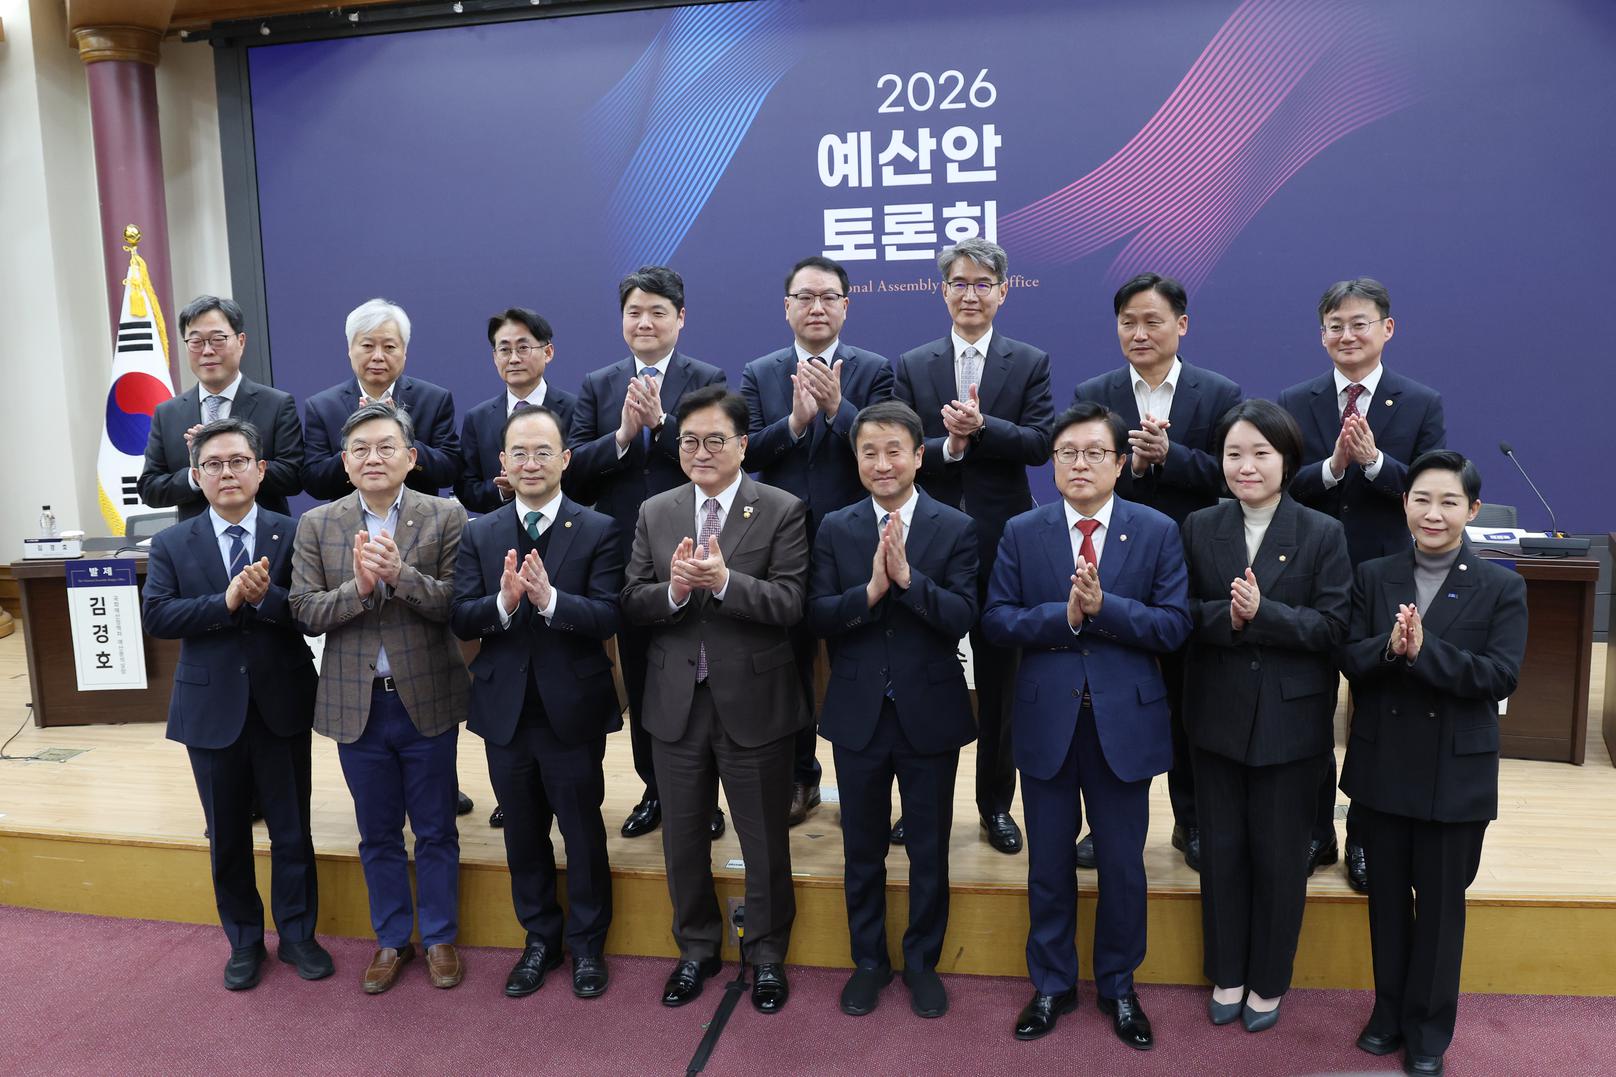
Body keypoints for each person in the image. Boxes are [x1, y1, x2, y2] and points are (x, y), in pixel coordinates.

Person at [982, 402, 1190, 1048]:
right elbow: (997, 620)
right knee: (1048, 864)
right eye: (1067, 452)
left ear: (1120, 462)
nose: (1080, 463)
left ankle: (1119, 986)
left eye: (1095, 452)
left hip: (1124, 724)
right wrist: (1066, 617)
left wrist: (1105, 608)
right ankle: (1052, 982)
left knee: (1123, 866)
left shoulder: (1156, 531)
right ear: (1052, 463)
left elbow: (1174, 625)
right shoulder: (1023, 531)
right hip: (1047, 719)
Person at [620, 386, 810, 1015]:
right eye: (689, 441)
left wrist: (727, 582)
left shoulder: (781, 508)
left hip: (754, 701)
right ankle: (696, 948)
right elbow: (632, 600)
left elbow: (791, 603)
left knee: (764, 842)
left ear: (743, 445)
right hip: (675, 702)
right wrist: (673, 593)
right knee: (681, 841)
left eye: (714, 440)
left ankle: (767, 953)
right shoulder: (656, 510)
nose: (700, 451)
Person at [1337, 450, 1525, 1077]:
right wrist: (1391, 650)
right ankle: (1387, 1013)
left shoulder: (1501, 586)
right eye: (1422, 499)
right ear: (1404, 505)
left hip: (1454, 772)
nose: (1434, 513)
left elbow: (1500, 676)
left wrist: (1423, 652)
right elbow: (1350, 658)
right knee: (1386, 902)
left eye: (1449, 501)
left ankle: (1428, 1030)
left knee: (1442, 910)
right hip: (1384, 766)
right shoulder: (1374, 575)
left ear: (1473, 510)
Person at [1179, 400, 1351, 1032]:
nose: (1246, 466)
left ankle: (1269, 981)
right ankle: (1226, 971)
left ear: (1287, 460)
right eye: (1234, 454)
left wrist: (1263, 615)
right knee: (1221, 852)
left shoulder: (1322, 532)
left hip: (1290, 720)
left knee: (1280, 858)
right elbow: (1180, 613)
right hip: (1217, 713)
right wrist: (1228, 618)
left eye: (1261, 453)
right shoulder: (1200, 525)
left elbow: (1334, 627)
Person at [141, 416, 330, 990]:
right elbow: (157, 616)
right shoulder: (172, 542)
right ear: (197, 476)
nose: (227, 473)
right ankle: (244, 940)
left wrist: (265, 598)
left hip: (281, 701)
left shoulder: (293, 532)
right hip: (210, 708)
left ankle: (298, 934)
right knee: (226, 834)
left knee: (292, 829)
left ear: (261, 469)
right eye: (214, 465)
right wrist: (224, 602)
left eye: (238, 462)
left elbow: (309, 611)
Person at [289, 401, 469, 994]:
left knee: (436, 828)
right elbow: (304, 611)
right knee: (378, 832)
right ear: (344, 463)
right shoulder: (317, 524)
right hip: (357, 704)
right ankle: (392, 940)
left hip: (427, 697)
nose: (373, 458)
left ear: (411, 457)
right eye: (360, 449)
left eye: (386, 447)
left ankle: (439, 937)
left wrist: (401, 577)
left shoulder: (446, 515)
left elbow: (456, 604)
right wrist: (361, 588)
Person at [809, 400, 977, 1019]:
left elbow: (963, 616)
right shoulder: (836, 526)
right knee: (862, 849)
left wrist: (909, 581)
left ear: (918, 456)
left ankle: (923, 963)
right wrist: (871, 591)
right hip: (858, 713)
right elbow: (817, 615)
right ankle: (869, 962)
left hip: (929, 711)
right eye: (869, 453)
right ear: (857, 461)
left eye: (894, 451)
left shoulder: (955, 526)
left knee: (929, 850)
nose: (882, 464)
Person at [1279, 278, 1445, 894]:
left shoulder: (1420, 402)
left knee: (1376, 714)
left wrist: (1374, 463)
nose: (1346, 336)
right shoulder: (1296, 400)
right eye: (1335, 326)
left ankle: (1366, 839)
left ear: (1387, 329)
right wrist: (1332, 467)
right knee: (1309, 709)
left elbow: (1430, 491)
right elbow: (1280, 485)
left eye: (1359, 324)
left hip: (1385, 577)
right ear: (1321, 334)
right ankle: (1315, 830)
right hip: (1310, 575)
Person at [1072, 273, 1242, 871]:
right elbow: (1082, 474)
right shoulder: (1095, 394)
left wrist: (1171, 457)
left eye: (1152, 321)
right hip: (1116, 569)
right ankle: (1107, 824)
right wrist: (1132, 465)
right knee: (1115, 701)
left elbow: (1233, 475)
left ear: (1181, 325)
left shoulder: (1217, 393)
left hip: (1192, 566)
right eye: (1128, 323)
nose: (1139, 333)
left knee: (1189, 701)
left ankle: (1190, 822)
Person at [451, 405, 621, 999]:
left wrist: (551, 601)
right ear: (502, 462)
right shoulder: (480, 532)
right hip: (506, 711)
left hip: (571, 709)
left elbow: (609, 614)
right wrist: (502, 603)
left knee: (582, 831)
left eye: (543, 452)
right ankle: (540, 939)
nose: (531, 463)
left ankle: (588, 944)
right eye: (519, 453)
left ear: (565, 460)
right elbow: (460, 615)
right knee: (522, 833)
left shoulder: (598, 528)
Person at [895, 237, 1054, 855]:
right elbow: (901, 447)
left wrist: (983, 426)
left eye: (982, 284)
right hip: (930, 539)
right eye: (959, 283)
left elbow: (1039, 444)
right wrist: (950, 447)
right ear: (943, 291)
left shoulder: (1029, 361)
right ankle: (919, 805)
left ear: (1002, 292)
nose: (970, 294)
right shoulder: (913, 363)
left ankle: (995, 806)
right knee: (918, 673)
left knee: (999, 682)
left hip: (1001, 538)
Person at [568, 266, 727, 840]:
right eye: (634, 312)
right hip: (623, 553)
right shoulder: (598, 384)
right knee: (639, 675)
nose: (645, 322)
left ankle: (705, 797)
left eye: (658, 311)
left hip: (690, 543)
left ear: (680, 318)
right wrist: (619, 436)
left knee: (698, 677)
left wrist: (660, 426)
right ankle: (655, 788)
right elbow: (574, 470)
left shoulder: (706, 379)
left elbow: (714, 459)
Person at [742, 254, 895, 827]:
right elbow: (748, 453)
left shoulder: (874, 369)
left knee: (861, 661)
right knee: (789, 665)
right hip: (780, 542)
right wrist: (795, 423)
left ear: (845, 307)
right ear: (787, 307)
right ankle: (800, 777)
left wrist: (836, 408)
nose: (816, 307)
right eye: (804, 297)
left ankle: (867, 784)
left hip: (853, 539)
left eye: (828, 297)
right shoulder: (760, 372)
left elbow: (887, 445)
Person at [139, 295, 304, 519]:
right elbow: (150, 488)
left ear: (241, 341)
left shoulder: (276, 404)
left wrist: (239, 463)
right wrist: (198, 473)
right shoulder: (167, 413)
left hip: (265, 533)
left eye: (218, 339)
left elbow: (293, 476)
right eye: (196, 342)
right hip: (195, 537)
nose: (207, 351)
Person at [301, 298, 463, 502]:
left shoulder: (434, 399)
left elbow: (449, 470)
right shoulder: (323, 406)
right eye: (368, 346)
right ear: (350, 349)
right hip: (348, 518)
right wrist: (357, 447)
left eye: (389, 347)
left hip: (419, 516)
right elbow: (314, 482)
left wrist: (401, 439)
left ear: (404, 351)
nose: (378, 356)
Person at [455, 307, 579, 517]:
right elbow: (466, 489)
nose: (513, 359)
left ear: (548, 352)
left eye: (523, 348)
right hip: (500, 530)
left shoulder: (576, 410)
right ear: (495, 356)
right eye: (504, 350)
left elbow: (587, 479)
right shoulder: (478, 418)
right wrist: (503, 491)